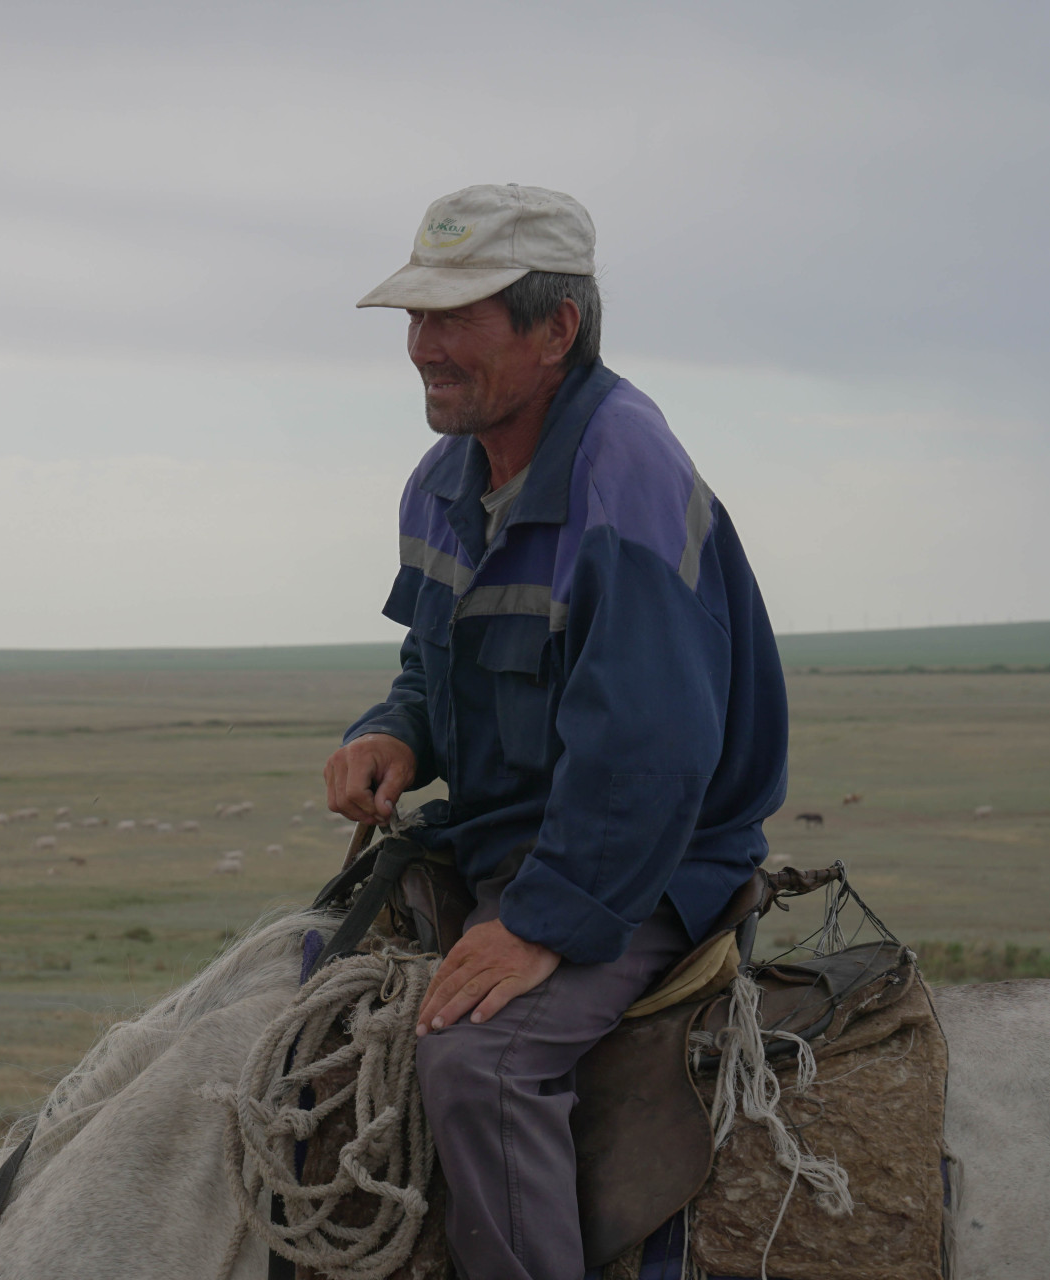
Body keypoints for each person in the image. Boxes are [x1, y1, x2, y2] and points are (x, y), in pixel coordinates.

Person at [323, 184, 789, 1280]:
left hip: (645, 865)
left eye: (455, 316)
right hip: (511, 839)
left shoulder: (626, 474)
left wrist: (541, 921)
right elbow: (433, 667)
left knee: (480, 1065)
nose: (422, 347)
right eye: (415, 318)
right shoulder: (445, 480)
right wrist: (394, 732)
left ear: (556, 328)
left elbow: (650, 753)